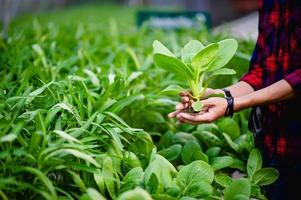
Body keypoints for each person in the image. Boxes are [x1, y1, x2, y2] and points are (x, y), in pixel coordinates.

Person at [168, 1, 301, 200]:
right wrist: (220, 95)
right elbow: (263, 71)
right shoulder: (271, 4)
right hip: (273, 145)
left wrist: (232, 105)